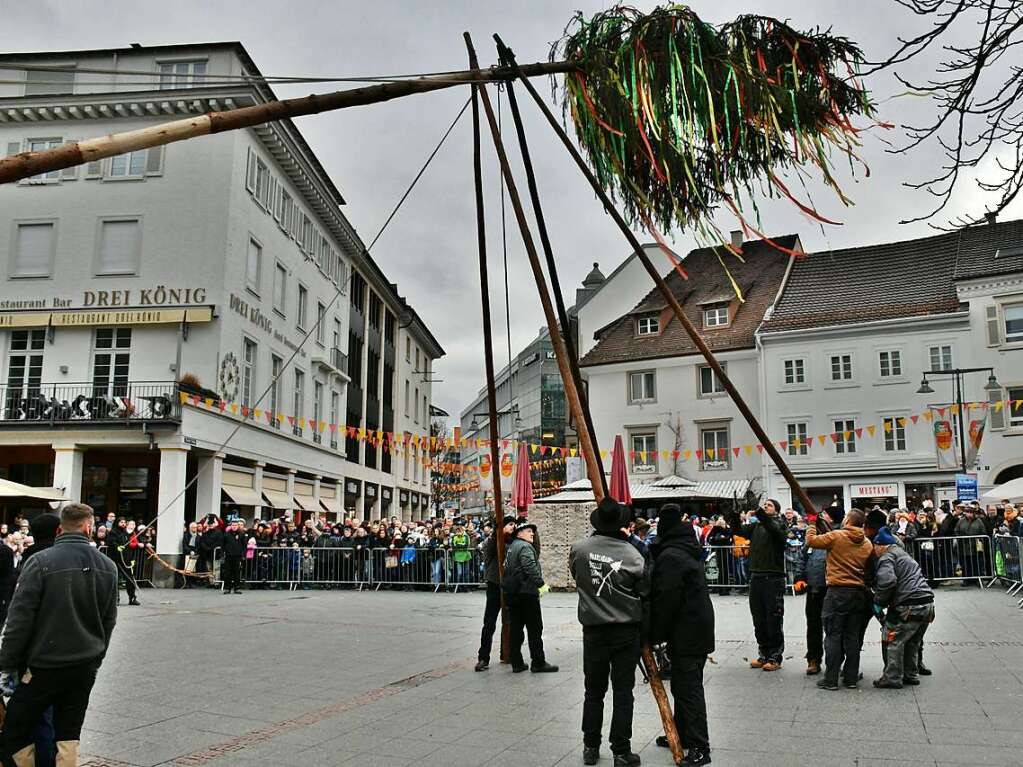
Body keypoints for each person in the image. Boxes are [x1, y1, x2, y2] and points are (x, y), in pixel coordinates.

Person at [0, 503, 118, 767]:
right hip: (84, 663)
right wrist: (97, 656)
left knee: (15, 728)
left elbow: (19, 620)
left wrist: (7, 664)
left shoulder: (41, 562)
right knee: (68, 733)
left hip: (44, 664)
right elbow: (109, 620)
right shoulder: (108, 566)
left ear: (59, 528)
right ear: (89, 527)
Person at [569, 498, 648, 767]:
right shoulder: (633, 555)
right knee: (623, 691)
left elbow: (576, 575)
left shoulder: (579, 549)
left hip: (593, 630)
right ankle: (621, 751)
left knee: (593, 691)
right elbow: (643, 590)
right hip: (625, 630)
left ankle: (590, 746)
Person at [649, 504, 714, 766]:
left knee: (689, 689)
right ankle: (682, 733)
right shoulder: (683, 547)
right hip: (694, 627)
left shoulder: (672, 556)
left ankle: (700, 746)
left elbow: (667, 599)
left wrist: (654, 633)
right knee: (682, 685)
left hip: (688, 631)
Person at [806, 509, 873, 691]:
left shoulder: (837, 536)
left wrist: (812, 524)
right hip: (858, 592)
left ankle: (831, 679)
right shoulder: (867, 543)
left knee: (833, 635)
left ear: (849, 520)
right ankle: (851, 678)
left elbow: (811, 541)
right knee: (852, 637)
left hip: (837, 591)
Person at [871, 527, 935, 689]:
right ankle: (910, 674)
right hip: (927, 603)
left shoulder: (887, 557)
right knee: (912, 641)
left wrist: (878, 602)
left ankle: (892, 677)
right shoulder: (904, 556)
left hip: (909, 604)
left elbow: (887, 581)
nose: (874, 551)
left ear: (880, 545)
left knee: (892, 639)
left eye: (874, 547)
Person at [727, 499, 786, 670]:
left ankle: (775, 657)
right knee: (758, 619)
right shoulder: (757, 526)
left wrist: (759, 512)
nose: (766, 506)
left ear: (776, 510)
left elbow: (773, 528)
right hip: (756, 576)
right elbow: (739, 531)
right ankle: (764, 654)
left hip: (773, 578)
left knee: (773, 618)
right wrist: (733, 516)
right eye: (765, 504)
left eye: (769, 505)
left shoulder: (779, 524)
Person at [502, 521, 557, 673]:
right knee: (535, 628)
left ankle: (517, 662)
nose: (532, 533)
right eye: (528, 531)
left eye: (533, 531)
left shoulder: (513, 547)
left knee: (516, 628)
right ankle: (538, 662)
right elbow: (529, 566)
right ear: (519, 533)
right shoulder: (525, 547)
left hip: (513, 593)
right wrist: (541, 584)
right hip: (526, 593)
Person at [795, 507, 839, 676]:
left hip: (832, 590)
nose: (822, 517)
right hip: (814, 590)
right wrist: (799, 577)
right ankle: (813, 659)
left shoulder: (837, 536)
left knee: (833, 628)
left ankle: (834, 662)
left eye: (825, 515)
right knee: (813, 627)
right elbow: (802, 557)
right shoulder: (812, 539)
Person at [475, 515, 517, 672]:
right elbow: (489, 550)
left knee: (512, 622)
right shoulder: (492, 541)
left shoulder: (515, 542)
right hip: (494, 585)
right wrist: (497, 531)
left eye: (514, 524)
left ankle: (509, 653)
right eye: (510, 524)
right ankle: (483, 657)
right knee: (489, 623)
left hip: (510, 586)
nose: (513, 527)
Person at [105, 517, 140, 606]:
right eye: (121, 522)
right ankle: (116, 599)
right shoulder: (113, 532)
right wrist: (117, 547)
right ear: (117, 523)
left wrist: (132, 559)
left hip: (126, 559)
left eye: (124, 522)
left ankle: (132, 598)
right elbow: (110, 542)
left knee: (130, 579)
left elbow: (130, 547)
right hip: (115, 559)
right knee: (115, 580)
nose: (123, 524)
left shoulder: (125, 533)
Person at [221, 517, 247, 594]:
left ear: (238, 526)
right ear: (231, 526)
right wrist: (222, 554)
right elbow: (222, 545)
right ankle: (228, 588)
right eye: (233, 525)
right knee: (228, 572)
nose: (234, 526)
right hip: (228, 555)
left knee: (236, 572)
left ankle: (236, 588)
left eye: (236, 525)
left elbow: (244, 546)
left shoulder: (241, 534)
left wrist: (243, 555)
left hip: (237, 556)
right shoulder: (226, 534)